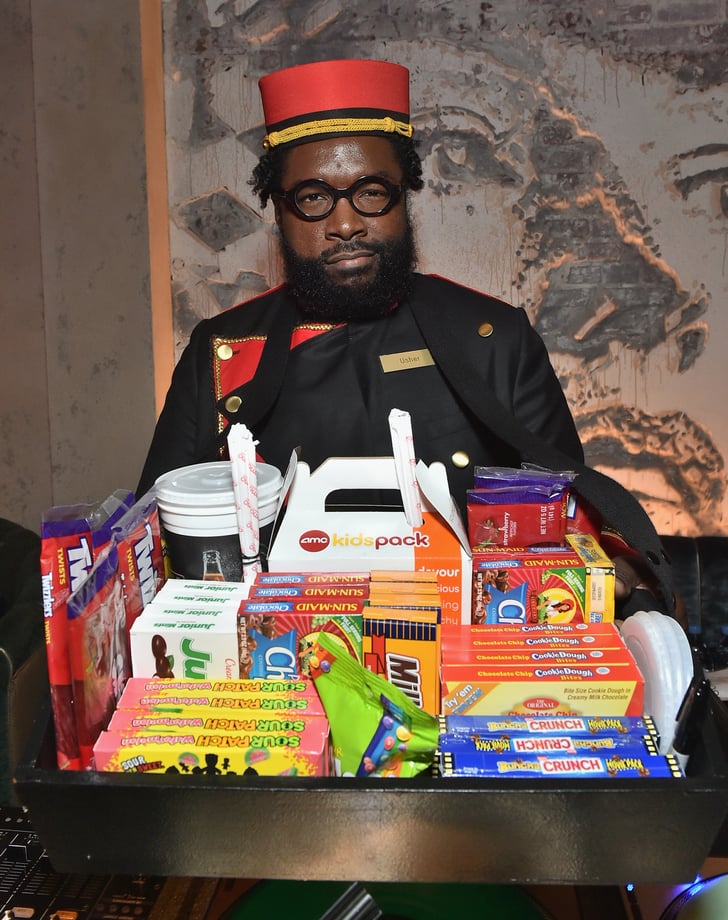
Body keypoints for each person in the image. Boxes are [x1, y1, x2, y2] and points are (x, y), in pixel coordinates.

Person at [137, 58, 674, 617]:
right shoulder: (223, 351)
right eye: (314, 197)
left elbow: (567, 517)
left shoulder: (494, 338)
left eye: (371, 192)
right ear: (279, 208)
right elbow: (150, 549)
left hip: (470, 647)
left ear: (405, 195)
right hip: (285, 657)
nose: (346, 224)